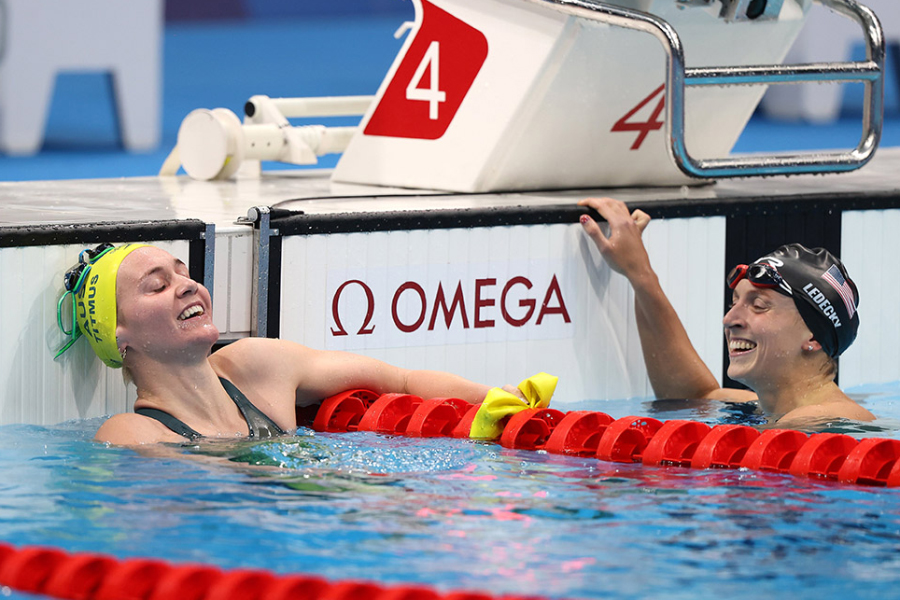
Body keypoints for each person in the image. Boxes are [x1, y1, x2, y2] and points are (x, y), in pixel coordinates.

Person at [58, 243, 495, 445]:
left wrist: (497, 398)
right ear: (120, 336)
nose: (188, 286)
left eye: (184, 273)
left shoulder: (259, 366)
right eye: (157, 286)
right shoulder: (132, 434)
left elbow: (402, 380)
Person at [577, 197, 874, 427]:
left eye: (758, 306)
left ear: (813, 337)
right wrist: (638, 273)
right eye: (735, 303)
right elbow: (690, 397)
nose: (729, 320)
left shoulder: (820, 420)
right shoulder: (765, 409)